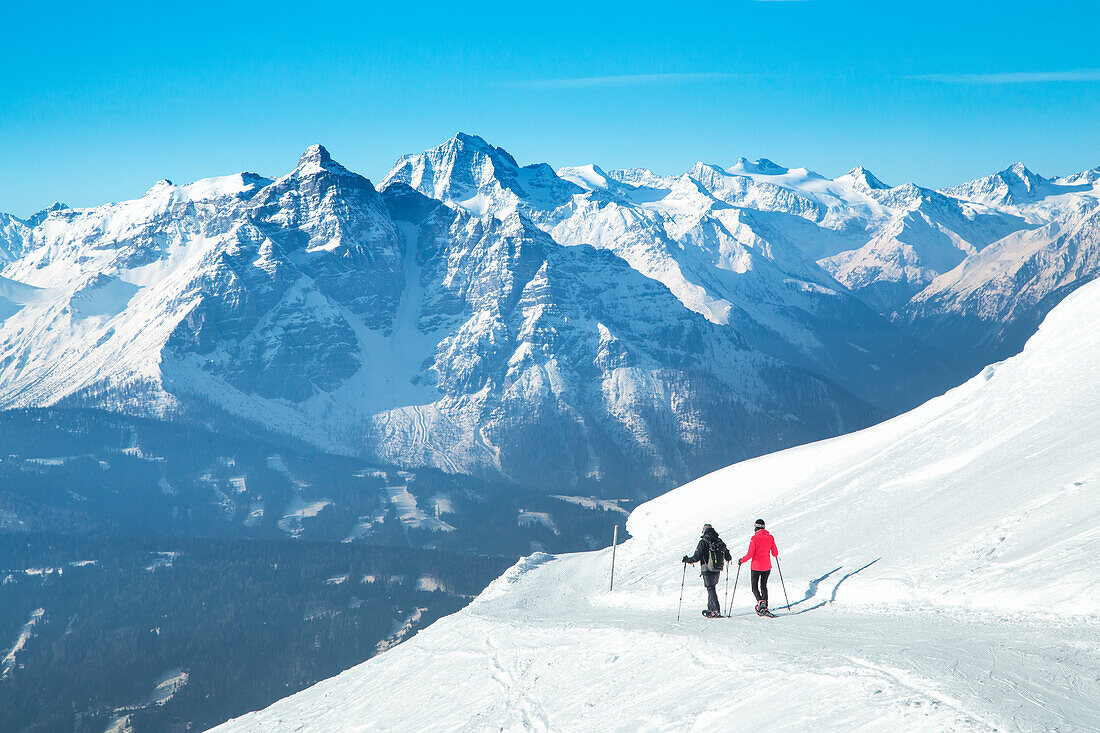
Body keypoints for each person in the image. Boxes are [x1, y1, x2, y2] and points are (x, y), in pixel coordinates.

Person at [682, 524, 732, 618]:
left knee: (710, 588)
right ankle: (711, 608)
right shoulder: (719, 541)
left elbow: (697, 557)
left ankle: (716, 610)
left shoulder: (703, 542)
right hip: (717, 568)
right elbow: (727, 555)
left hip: (707, 568)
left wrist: (688, 560)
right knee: (712, 588)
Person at [739, 518, 779, 617]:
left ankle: (760, 602)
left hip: (756, 566)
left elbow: (750, 554)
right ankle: (765, 605)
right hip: (767, 566)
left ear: (755, 527)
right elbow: (775, 553)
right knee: (764, 586)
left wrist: (741, 560)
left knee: (754, 587)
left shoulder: (754, 538)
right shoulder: (770, 538)